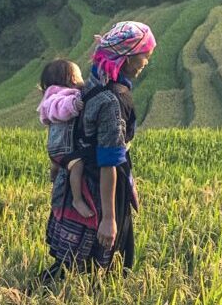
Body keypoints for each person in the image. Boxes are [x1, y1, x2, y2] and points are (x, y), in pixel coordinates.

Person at [47, 20, 157, 274]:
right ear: (128, 59)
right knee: (103, 266)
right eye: (145, 56)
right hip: (100, 187)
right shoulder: (113, 100)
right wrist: (108, 219)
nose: (146, 62)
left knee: (75, 263)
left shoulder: (94, 84)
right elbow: (109, 160)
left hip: (84, 178)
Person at [37, 57, 92, 257]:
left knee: (61, 168)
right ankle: (77, 199)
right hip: (65, 149)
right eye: (78, 76)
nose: (81, 80)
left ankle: (54, 171)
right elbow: (66, 107)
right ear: (68, 79)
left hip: (55, 150)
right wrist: (78, 102)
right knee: (76, 167)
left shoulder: (51, 96)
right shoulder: (62, 97)